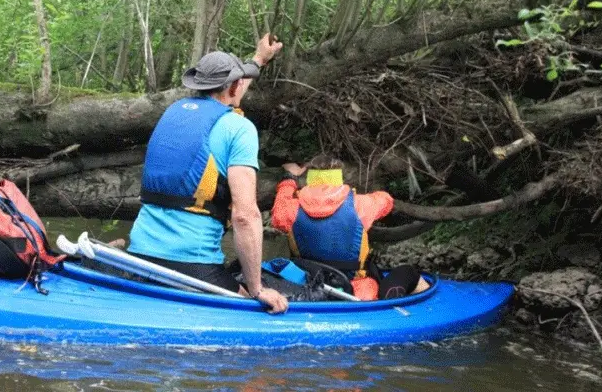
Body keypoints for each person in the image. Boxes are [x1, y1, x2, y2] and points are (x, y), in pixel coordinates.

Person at [128, 33, 289, 314]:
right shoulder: (239, 129)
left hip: (139, 253)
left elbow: (227, 96)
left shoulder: (174, 112)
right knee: (254, 304)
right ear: (236, 86)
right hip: (191, 262)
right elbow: (244, 215)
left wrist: (260, 59)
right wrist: (257, 289)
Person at [271, 154, 430, 300]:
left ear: (309, 178)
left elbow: (278, 211)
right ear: (339, 177)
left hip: (312, 290)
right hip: (357, 292)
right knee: (408, 272)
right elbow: (387, 201)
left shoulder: (290, 208)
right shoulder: (360, 204)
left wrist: (289, 178)